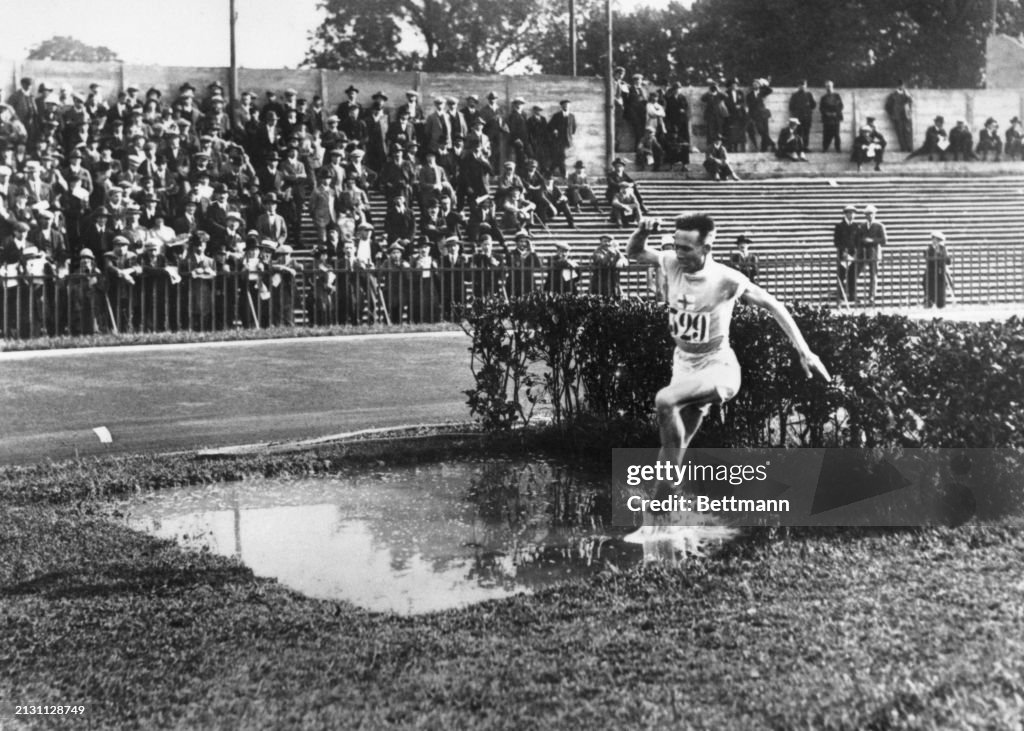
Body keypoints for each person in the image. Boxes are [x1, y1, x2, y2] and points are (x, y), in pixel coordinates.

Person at [625, 213, 830, 502]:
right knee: (677, 444)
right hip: (684, 364)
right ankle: (660, 515)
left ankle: (668, 495)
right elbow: (633, 252)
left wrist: (805, 351)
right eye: (675, 245)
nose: (678, 253)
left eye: (686, 248)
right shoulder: (671, 262)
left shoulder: (726, 278)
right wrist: (641, 231)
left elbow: (773, 305)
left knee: (665, 401)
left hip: (717, 366)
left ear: (706, 249)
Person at [856, 204, 886, 304]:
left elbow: (884, 241)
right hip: (863, 253)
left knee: (873, 276)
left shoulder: (879, 226)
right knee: (855, 273)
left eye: (871, 214)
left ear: (875, 214)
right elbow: (857, 239)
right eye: (867, 214)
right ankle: (853, 295)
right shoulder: (862, 226)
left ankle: (871, 297)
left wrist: (872, 240)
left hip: (874, 253)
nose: (869, 216)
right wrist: (862, 241)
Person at [832, 204, 860, 303]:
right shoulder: (839, 226)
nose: (851, 215)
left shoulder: (856, 226)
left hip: (853, 255)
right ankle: (840, 296)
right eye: (849, 213)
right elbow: (836, 241)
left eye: (853, 213)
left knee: (852, 275)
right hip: (842, 255)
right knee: (841, 275)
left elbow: (858, 241)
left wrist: (856, 252)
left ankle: (852, 295)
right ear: (845, 214)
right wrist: (843, 252)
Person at [923, 231, 952, 309]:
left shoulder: (943, 249)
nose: (936, 242)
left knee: (941, 302)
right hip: (931, 274)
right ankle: (929, 301)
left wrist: (943, 253)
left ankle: (940, 303)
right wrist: (936, 253)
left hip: (940, 274)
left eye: (938, 240)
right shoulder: (928, 249)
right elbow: (927, 259)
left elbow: (949, 262)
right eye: (935, 239)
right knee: (930, 291)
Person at [884, 81, 914, 152]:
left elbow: (910, 103)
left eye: (903, 85)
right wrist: (892, 115)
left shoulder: (906, 95)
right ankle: (903, 149)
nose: (903, 87)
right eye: (901, 85)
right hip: (898, 118)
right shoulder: (893, 95)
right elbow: (887, 106)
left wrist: (908, 96)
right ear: (898, 86)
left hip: (906, 117)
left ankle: (910, 148)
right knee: (900, 133)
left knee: (908, 132)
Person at [788, 80, 816, 149]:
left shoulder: (809, 95)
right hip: (798, 118)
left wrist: (807, 107)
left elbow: (813, 105)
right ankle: (798, 147)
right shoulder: (794, 95)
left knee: (806, 133)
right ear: (798, 86)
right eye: (800, 85)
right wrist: (796, 113)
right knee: (798, 133)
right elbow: (791, 107)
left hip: (807, 117)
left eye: (803, 85)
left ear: (806, 85)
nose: (802, 86)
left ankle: (805, 147)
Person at [819, 81, 844, 153]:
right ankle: (825, 148)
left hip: (836, 118)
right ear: (825, 87)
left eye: (830, 86)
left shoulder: (837, 96)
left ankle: (838, 149)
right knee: (826, 133)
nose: (828, 88)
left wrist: (836, 113)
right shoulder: (823, 98)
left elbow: (841, 106)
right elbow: (821, 108)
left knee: (836, 134)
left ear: (832, 86)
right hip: (827, 118)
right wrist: (827, 113)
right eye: (827, 86)